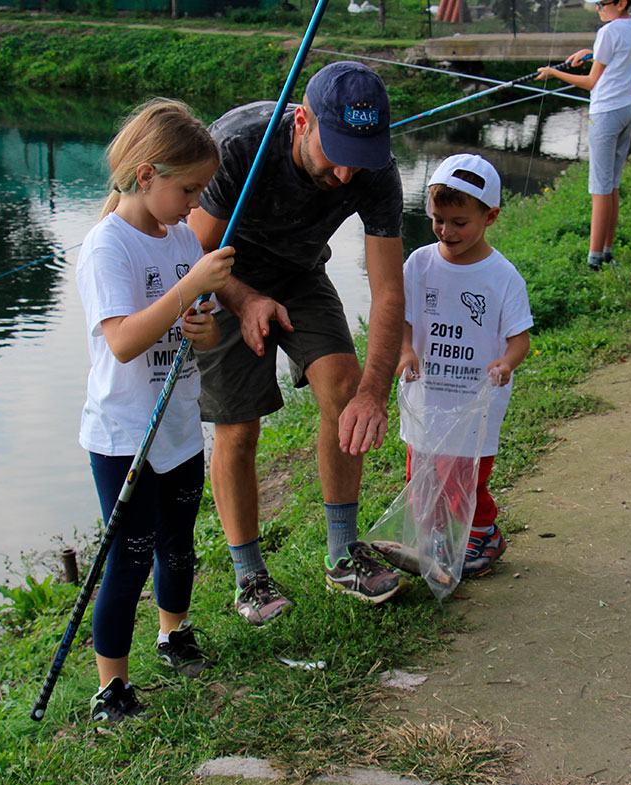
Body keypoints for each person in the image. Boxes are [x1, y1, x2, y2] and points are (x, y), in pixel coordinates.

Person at [186, 61, 408, 626]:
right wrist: (242, 300)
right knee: (239, 425)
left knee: (344, 387)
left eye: (358, 158)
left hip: (301, 271)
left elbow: (387, 290)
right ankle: (250, 576)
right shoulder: (240, 146)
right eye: (333, 151)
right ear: (301, 120)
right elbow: (188, 253)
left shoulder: (373, 167)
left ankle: (342, 553)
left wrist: (374, 391)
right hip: (223, 271)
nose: (344, 173)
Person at [75, 98, 235, 722]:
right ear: (147, 175)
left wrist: (204, 328)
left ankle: (174, 633)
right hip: (124, 434)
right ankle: (110, 686)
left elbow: (207, 331)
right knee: (130, 554)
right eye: (189, 189)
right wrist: (186, 290)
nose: (196, 204)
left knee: (178, 544)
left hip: (178, 427)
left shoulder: (178, 239)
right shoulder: (106, 246)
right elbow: (121, 339)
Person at [396, 154, 533, 576]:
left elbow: (519, 339)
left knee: (464, 480)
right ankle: (433, 543)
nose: (446, 231)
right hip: (427, 397)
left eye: (459, 222)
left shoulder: (502, 275)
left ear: (490, 216)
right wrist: (405, 350)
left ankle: (484, 533)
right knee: (421, 478)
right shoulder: (419, 264)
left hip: (475, 403)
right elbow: (400, 317)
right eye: (438, 219)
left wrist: (506, 364)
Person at [534, 0, 631, 270]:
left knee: (599, 188)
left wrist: (553, 72)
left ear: (620, 2)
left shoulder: (607, 32)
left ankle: (594, 260)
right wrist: (592, 54)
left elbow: (591, 82)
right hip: (627, 108)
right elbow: (618, 56)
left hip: (606, 113)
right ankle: (607, 252)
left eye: (602, 3)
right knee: (612, 186)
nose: (598, 8)